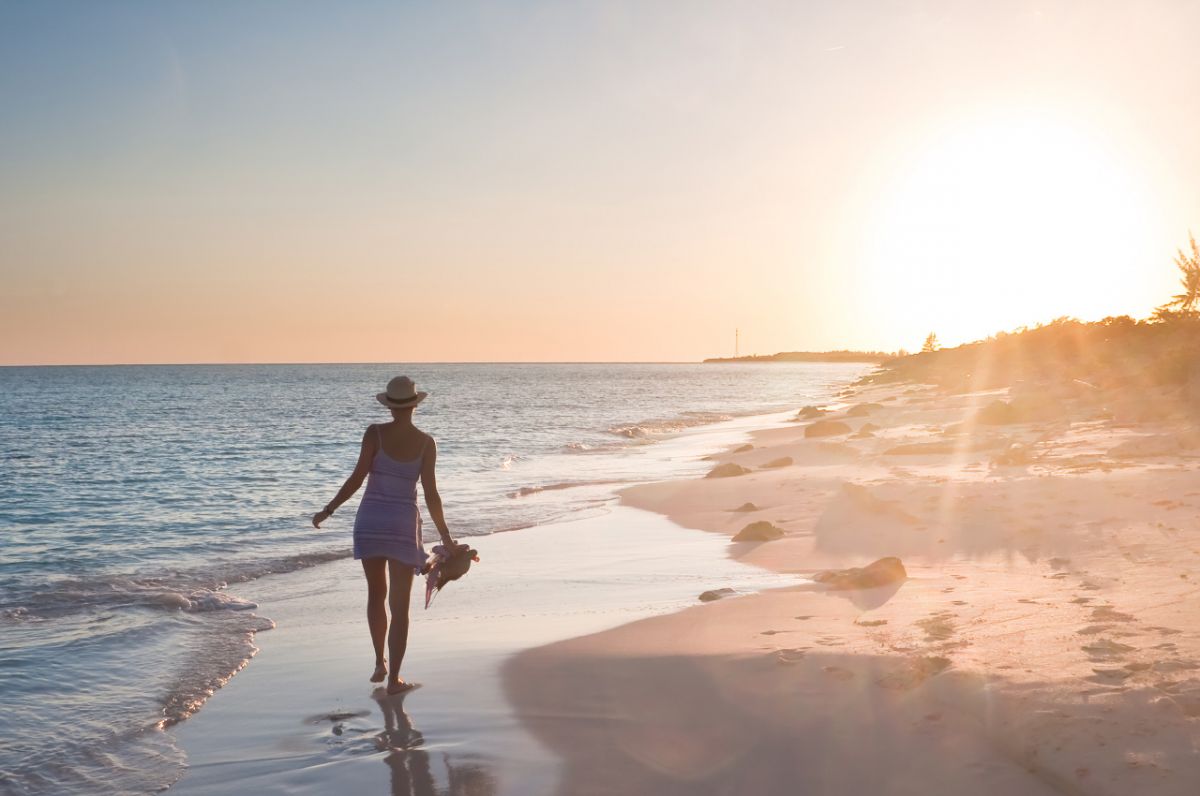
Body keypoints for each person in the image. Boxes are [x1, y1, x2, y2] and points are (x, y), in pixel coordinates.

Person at [312, 376, 455, 695]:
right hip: (402, 525)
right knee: (400, 605)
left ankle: (379, 662)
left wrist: (328, 510)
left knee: (376, 594)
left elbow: (356, 479)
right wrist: (445, 536)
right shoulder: (426, 443)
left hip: (371, 521)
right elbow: (431, 494)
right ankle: (394, 681)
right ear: (415, 405)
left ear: (390, 406)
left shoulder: (374, 434)